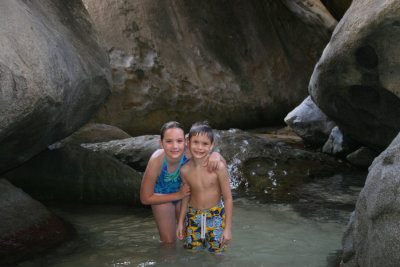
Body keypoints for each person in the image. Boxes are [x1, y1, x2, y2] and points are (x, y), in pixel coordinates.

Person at [140, 121, 224, 244]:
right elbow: (145, 198)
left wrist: (216, 155)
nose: (175, 146)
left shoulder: (189, 152)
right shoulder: (157, 160)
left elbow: (221, 164)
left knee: (189, 237)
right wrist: (177, 195)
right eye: (169, 141)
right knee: (168, 242)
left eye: (179, 141)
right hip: (162, 196)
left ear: (185, 142)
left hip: (185, 197)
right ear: (161, 143)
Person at [177, 122, 232, 253]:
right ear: (188, 142)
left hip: (215, 216)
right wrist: (180, 222)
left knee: (217, 254)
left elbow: (228, 198)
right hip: (193, 216)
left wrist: (227, 229)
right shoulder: (184, 170)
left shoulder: (218, 168)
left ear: (211, 145)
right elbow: (185, 197)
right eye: (195, 142)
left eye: (205, 144)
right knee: (192, 253)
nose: (199, 147)